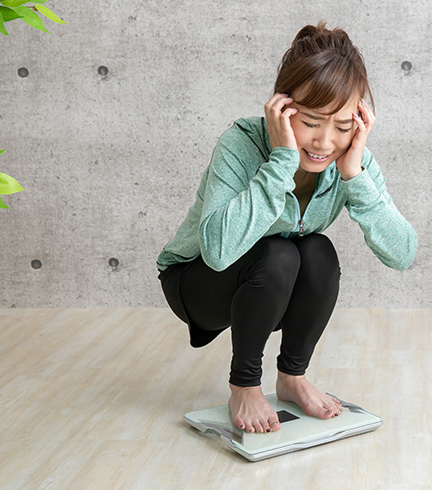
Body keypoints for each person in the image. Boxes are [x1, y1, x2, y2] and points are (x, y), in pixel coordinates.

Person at [157, 22, 417, 435]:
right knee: (279, 253)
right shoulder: (242, 143)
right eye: (311, 121)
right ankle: (244, 385)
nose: (324, 142)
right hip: (198, 282)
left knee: (317, 251)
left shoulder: (352, 158)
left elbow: (403, 253)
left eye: (342, 125)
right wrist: (280, 161)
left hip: (270, 287)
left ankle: (292, 377)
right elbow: (218, 251)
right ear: (282, 108)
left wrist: (355, 177)